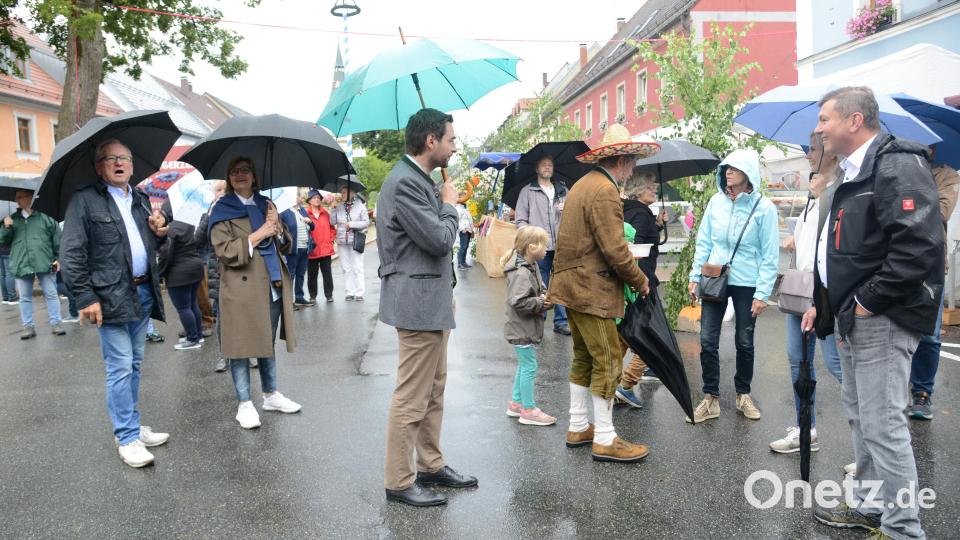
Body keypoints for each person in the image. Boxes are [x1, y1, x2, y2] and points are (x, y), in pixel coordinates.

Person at [803, 86, 940, 540]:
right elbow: (842, 252)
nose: (819, 128)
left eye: (825, 119)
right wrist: (823, 307)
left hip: (881, 317)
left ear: (854, 121)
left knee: (883, 427)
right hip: (851, 316)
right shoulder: (851, 172)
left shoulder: (897, 163)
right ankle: (869, 506)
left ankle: (903, 528)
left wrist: (866, 302)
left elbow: (918, 247)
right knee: (863, 419)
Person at [377, 108, 477, 507]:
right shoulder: (404, 183)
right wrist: (450, 205)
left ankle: (430, 465)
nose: (454, 147)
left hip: (432, 300)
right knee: (412, 396)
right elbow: (438, 240)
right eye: (451, 140)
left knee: (433, 390)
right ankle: (399, 480)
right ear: (431, 141)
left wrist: (441, 198)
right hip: (417, 303)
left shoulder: (420, 180)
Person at [60, 139, 171, 468]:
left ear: (133, 165)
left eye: (125, 157)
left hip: (142, 292)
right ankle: (126, 437)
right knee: (120, 367)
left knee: (134, 364)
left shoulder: (139, 198)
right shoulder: (84, 201)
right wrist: (85, 297)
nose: (119, 163)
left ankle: (133, 426)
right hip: (108, 298)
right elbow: (71, 254)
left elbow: (143, 245)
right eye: (111, 159)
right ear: (99, 167)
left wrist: (158, 230)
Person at [546, 123, 652, 463]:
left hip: (573, 286)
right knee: (607, 359)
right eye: (632, 161)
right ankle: (605, 438)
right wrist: (640, 280)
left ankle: (579, 426)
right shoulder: (604, 191)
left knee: (583, 357)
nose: (633, 168)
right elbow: (616, 250)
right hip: (591, 289)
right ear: (620, 160)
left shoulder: (584, 184)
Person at [687, 149, 779, 424]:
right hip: (715, 277)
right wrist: (694, 276)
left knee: (744, 340)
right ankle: (710, 398)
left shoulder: (764, 208)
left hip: (747, 281)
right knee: (707, 339)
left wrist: (763, 293)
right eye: (726, 168)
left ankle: (743, 394)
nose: (728, 171)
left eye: (734, 168)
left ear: (748, 172)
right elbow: (704, 241)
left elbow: (769, 253)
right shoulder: (716, 202)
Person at [209, 157, 302, 429]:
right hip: (240, 288)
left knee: (266, 341)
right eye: (234, 172)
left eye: (245, 171)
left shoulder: (267, 205)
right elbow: (224, 251)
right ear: (229, 178)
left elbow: (285, 244)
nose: (240, 175)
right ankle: (244, 403)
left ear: (254, 176)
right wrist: (261, 232)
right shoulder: (221, 210)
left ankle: (271, 394)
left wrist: (277, 227)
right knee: (240, 345)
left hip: (271, 283)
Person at [768, 169, 844, 454]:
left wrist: (824, 193)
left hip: (824, 293)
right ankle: (805, 428)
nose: (811, 167)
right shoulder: (812, 201)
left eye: (814, 151)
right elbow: (806, 240)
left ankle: (872, 443)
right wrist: (794, 238)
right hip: (800, 292)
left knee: (838, 365)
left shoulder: (837, 196)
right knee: (798, 360)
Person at [907, 147, 959, 421]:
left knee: (929, 334)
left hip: (931, 264)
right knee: (894, 329)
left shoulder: (947, 175)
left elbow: (940, 212)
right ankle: (893, 389)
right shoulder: (896, 166)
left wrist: (907, 194)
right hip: (895, 259)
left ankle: (922, 393)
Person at [614, 172, 666, 408]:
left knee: (624, 335)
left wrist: (658, 225)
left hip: (627, 282)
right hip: (641, 283)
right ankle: (626, 385)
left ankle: (612, 386)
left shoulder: (626, 209)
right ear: (637, 191)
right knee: (649, 338)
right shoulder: (642, 215)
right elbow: (639, 249)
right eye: (650, 187)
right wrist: (643, 283)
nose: (654, 190)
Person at [503, 225, 556, 426]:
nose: (547, 248)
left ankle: (516, 404)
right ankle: (528, 409)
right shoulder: (522, 272)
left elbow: (534, 289)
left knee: (524, 364)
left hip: (522, 326)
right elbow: (517, 301)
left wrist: (542, 294)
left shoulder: (529, 266)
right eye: (544, 245)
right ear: (532, 247)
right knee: (529, 366)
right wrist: (542, 302)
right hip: (521, 328)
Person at [515, 155, 571, 335]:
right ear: (537, 169)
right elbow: (520, 220)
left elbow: (577, 213)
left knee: (561, 281)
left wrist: (567, 209)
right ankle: (540, 318)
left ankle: (561, 321)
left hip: (562, 244)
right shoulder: (528, 191)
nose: (547, 167)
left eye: (550, 164)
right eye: (543, 164)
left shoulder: (563, 190)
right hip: (539, 246)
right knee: (540, 282)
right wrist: (531, 236)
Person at [0, 189, 65, 339]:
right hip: (21, 262)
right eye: (16, 198)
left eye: (20, 197)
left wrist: (58, 258)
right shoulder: (12, 219)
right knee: (24, 297)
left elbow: (57, 239)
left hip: (45, 261)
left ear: (31, 198)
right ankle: (28, 327)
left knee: (51, 294)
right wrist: (6, 227)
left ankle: (56, 323)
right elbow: (2, 241)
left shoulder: (46, 217)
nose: (17, 201)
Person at [157, 201, 205, 351]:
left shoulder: (171, 229)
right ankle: (198, 335)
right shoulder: (189, 223)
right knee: (192, 304)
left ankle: (192, 339)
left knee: (183, 308)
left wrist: (159, 273)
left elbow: (166, 255)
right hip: (196, 268)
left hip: (179, 273)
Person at [331, 186, 370, 301]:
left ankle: (359, 292)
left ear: (351, 193)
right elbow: (332, 222)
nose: (342, 194)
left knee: (357, 267)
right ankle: (349, 292)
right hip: (342, 241)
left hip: (355, 240)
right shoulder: (338, 207)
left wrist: (352, 224)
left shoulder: (360, 206)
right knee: (346, 268)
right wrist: (333, 209)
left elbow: (366, 222)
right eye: (341, 192)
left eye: (344, 192)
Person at [280, 199, 314, 307]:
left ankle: (299, 297)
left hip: (305, 247)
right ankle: (288, 300)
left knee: (301, 274)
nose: (297, 198)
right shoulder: (284, 212)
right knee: (290, 275)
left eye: (297, 196)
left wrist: (310, 222)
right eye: (294, 196)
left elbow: (313, 227)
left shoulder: (302, 210)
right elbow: (281, 229)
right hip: (293, 249)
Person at [304, 189, 336, 303]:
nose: (317, 200)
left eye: (318, 198)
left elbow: (332, 228)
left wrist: (330, 239)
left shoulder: (325, 213)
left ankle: (329, 295)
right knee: (312, 275)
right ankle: (312, 296)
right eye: (314, 198)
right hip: (312, 250)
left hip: (325, 249)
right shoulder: (305, 214)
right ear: (309, 201)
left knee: (327, 273)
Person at [456, 194, 474, 270]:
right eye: (464, 197)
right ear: (460, 198)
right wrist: (463, 229)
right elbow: (457, 220)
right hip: (464, 230)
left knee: (466, 247)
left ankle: (464, 263)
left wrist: (471, 229)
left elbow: (469, 219)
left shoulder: (465, 208)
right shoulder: (458, 208)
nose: (466, 198)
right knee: (463, 247)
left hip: (468, 230)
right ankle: (460, 264)